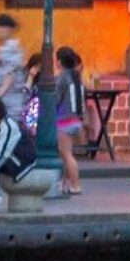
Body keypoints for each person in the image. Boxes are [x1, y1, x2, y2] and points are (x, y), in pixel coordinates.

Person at [45, 46, 88, 197]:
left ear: (60, 62)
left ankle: (76, 185)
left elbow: (56, 99)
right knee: (65, 155)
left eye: (56, 58)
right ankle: (64, 184)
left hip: (64, 121)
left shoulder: (62, 77)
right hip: (75, 120)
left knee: (66, 154)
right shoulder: (77, 77)